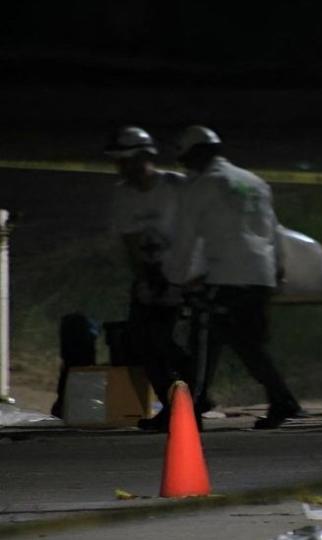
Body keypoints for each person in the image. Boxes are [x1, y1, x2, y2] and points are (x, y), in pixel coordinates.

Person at [166, 125, 303, 429]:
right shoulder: (254, 182)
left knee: (203, 335)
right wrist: (278, 269)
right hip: (260, 275)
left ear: (194, 156)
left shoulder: (202, 186)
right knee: (247, 343)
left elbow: (185, 240)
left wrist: (174, 280)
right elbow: (273, 230)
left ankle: (191, 407)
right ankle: (284, 401)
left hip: (228, 275)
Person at [106, 126, 196, 432]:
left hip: (186, 277)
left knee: (176, 342)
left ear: (146, 157)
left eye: (127, 160)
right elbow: (131, 243)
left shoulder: (176, 186)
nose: (123, 168)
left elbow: (198, 231)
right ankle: (174, 403)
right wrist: (145, 280)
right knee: (143, 341)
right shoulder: (124, 195)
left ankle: (193, 396)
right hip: (152, 278)